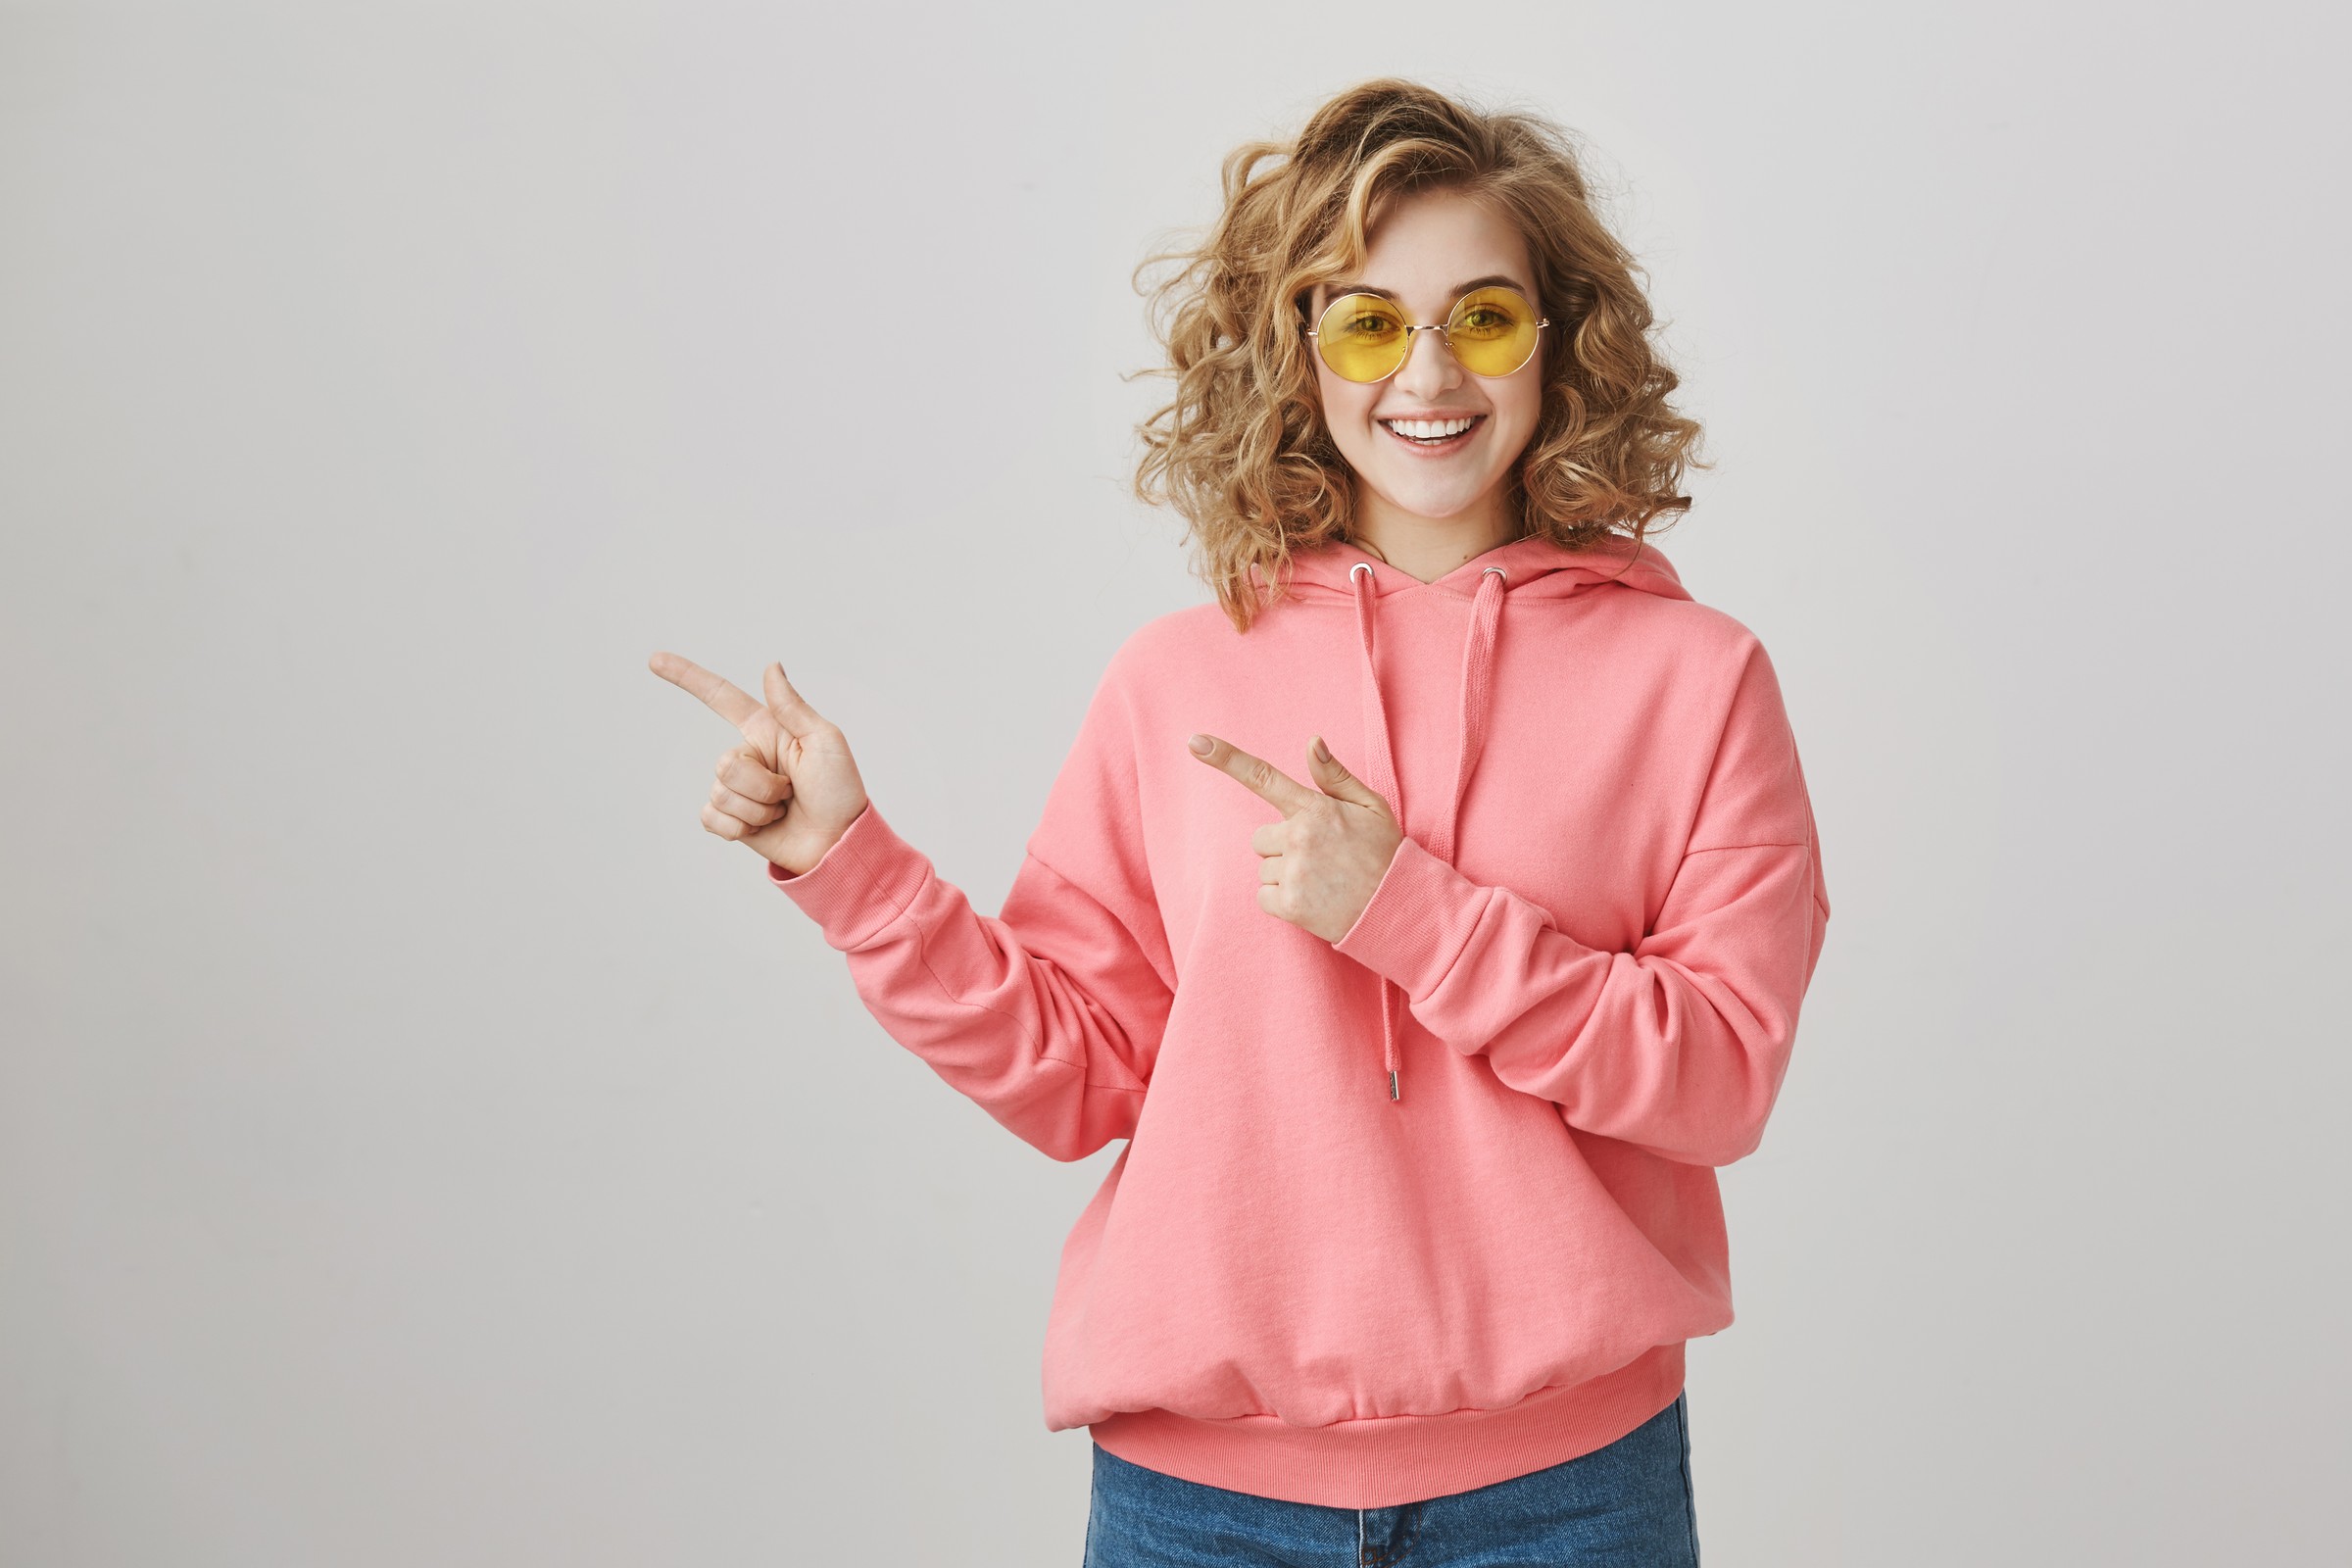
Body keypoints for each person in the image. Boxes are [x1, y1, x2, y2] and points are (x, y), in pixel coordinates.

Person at [651, 76, 1829, 1567]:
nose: (1427, 371)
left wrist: (1408, 912)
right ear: (1299, 350)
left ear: (1556, 339)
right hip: (1198, 1508)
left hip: (1568, 1495)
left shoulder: (1697, 678)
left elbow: (1719, 1079)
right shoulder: (1179, 676)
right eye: (1366, 321)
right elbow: (1080, 1077)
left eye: (1481, 315)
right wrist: (847, 865)